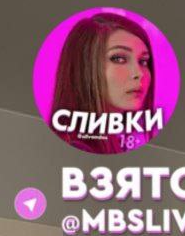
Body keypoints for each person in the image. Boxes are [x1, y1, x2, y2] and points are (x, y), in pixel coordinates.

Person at [49, 12, 156, 154]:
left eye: (143, 61)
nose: (140, 74)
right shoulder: (78, 148)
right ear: (84, 67)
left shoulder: (118, 141)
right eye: (119, 59)